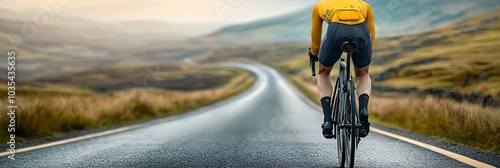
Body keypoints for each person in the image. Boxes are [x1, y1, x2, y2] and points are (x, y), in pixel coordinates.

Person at [308, 0, 375, 139]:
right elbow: (371, 33)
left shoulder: (319, 6)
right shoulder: (364, 5)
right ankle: (363, 109)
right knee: (363, 74)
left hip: (336, 31)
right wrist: (367, 51)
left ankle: (327, 120)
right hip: (361, 32)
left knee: (324, 72)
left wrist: (314, 54)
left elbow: (316, 35)